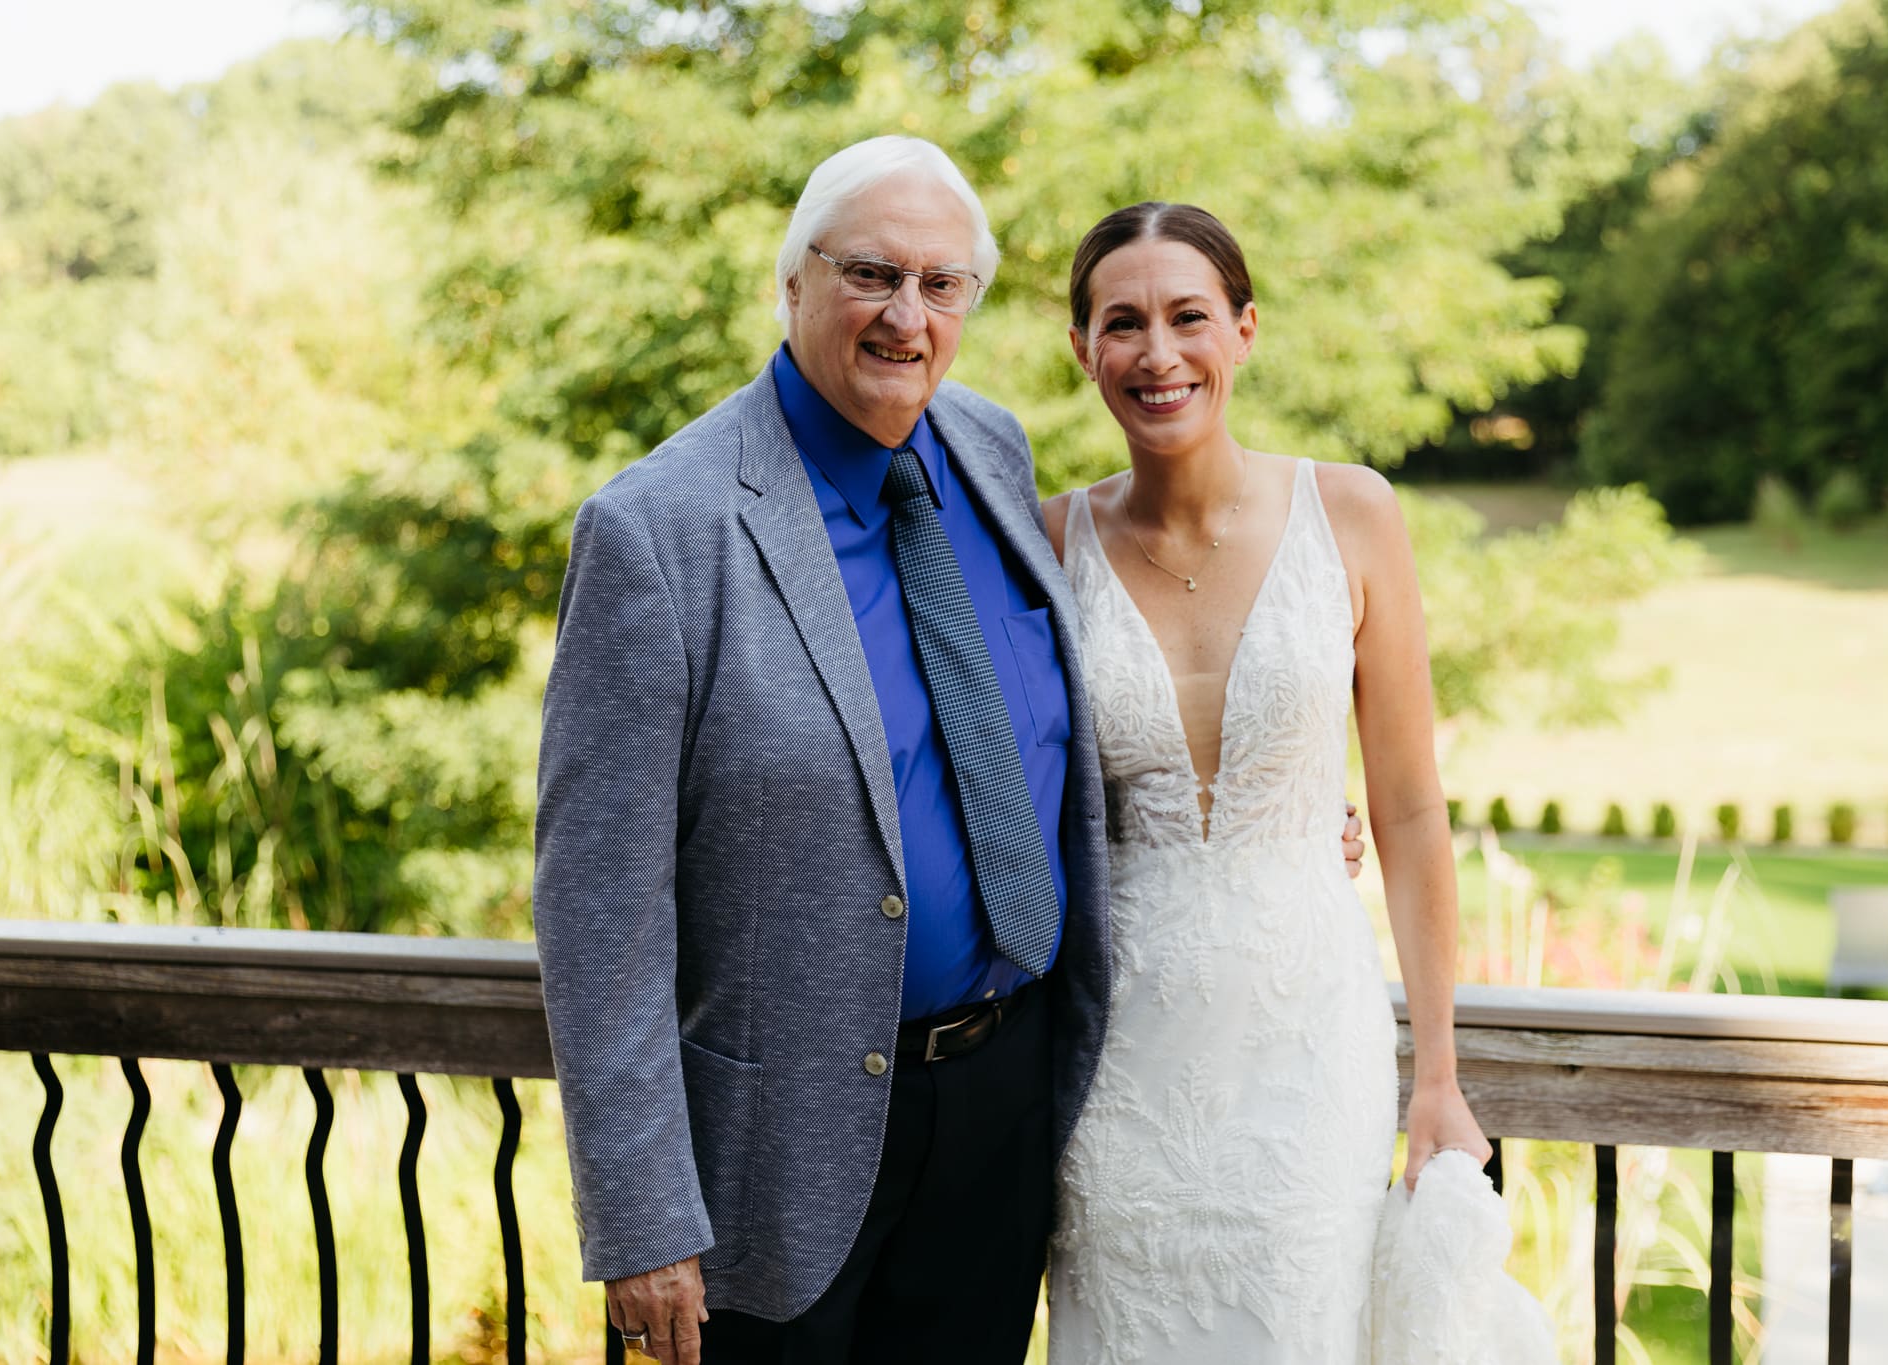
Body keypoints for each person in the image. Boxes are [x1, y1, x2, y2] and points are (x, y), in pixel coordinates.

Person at [533, 140, 1364, 1365]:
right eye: (870, 274)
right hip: (782, 1144)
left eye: (941, 285)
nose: (904, 317)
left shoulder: (987, 452)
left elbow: (1048, 734)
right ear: (793, 282)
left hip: (1006, 1109)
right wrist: (642, 1215)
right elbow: (594, 905)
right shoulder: (660, 531)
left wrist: (1270, 813)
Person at [1040, 202, 1491, 1364]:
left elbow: (1404, 807)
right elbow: (1012, 796)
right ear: (1082, 349)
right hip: (1116, 1068)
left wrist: (1434, 1076)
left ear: (1242, 330)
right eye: (1121, 323)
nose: (1157, 353)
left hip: (1307, 1051)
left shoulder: (1352, 513)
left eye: (1188, 316)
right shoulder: (1044, 544)